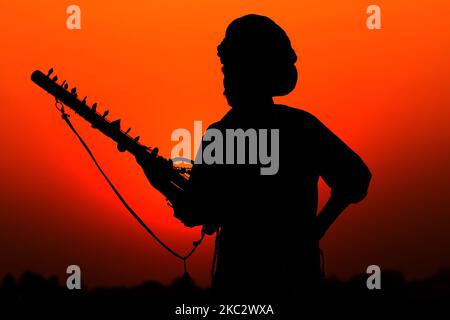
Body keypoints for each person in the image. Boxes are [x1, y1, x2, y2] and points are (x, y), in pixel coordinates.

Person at [137, 14, 371, 308]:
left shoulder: (227, 133)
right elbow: (201, 210)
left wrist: (160, 182)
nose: (226, 77)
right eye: (226, 68)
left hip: (252, 288)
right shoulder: (296, 126)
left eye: (233, 68)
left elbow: (195, 211)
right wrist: (313, 231)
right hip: (285, 287)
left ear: (254, 72)